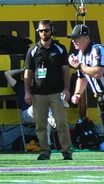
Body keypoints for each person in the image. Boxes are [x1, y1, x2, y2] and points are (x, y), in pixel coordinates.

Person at [68, 24, 104, 169]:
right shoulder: (81, 55)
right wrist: (77, 93)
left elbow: (97, 72)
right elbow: (82, 78)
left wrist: (78, 66)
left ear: (87, 38)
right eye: (72, 39)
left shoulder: (97, 49)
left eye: (77, 38)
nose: (74, 41)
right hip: (101, 95)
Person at [24, 19, 72, 160]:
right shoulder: (33, 51)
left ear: (52, 31)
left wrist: (67, 89)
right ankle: (44, 151)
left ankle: (67, 151)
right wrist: (27, 91)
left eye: (46, 30)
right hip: (38, 93)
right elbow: (28, 72)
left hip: (57, 92)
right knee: (41, 124)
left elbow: (66, 71)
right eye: (41, 30)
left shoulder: (60, 49)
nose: (43, 33)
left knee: (61, 122)